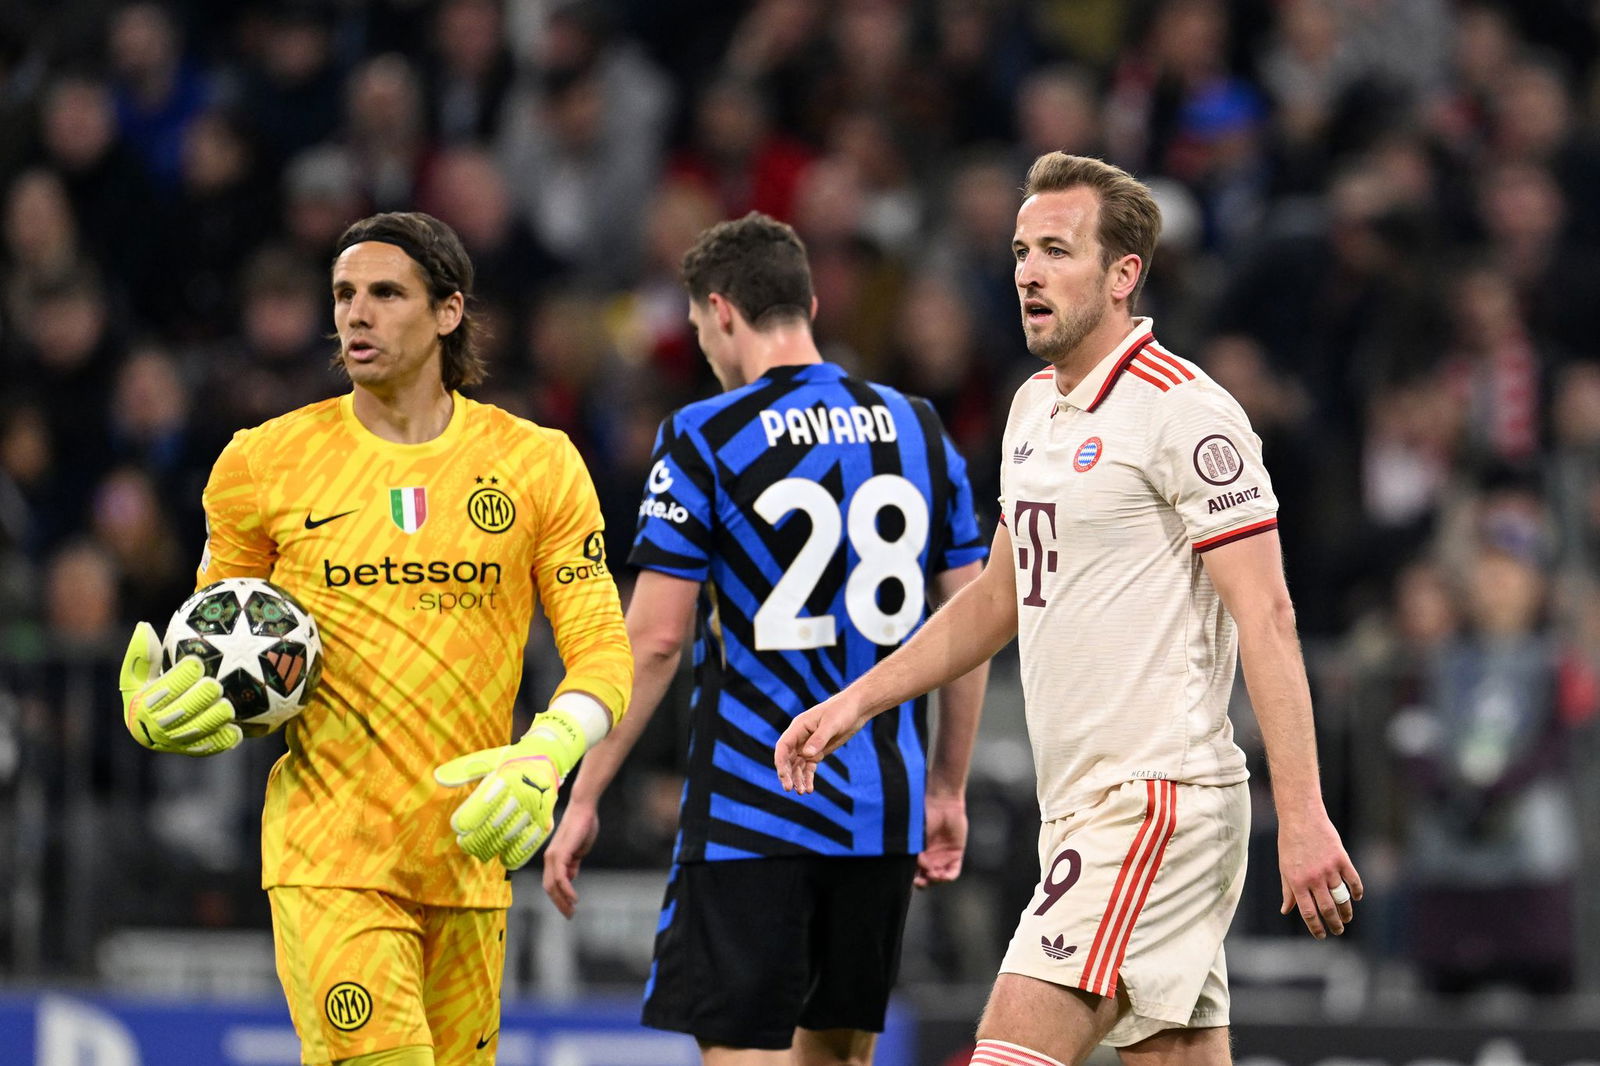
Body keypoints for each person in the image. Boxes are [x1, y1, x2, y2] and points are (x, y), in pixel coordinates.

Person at [777, 153, 1362, 1066]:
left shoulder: (1187, 414)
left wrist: (1305, 812)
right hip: (1084, 809)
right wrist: (858, 701)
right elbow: (996, 602)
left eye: (1057, 250)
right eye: (1019, 252)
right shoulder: (1032, 412)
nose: (1027, 273)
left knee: (1007, 1051)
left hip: (1155, 804)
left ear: (1123, 275)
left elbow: (1270, 615)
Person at [117, 211, 633, 1066]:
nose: (356, 313)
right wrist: (168, 707)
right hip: (330, 854)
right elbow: (220, 649)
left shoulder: (538, 464)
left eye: (386, 293)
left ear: (448, 312)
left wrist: (547, 752)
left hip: (469, 856)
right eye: (344, 294)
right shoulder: (263, 463)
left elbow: (603, 650)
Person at [541, 211, 990, 1065]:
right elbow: (969, 626)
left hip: (754, 808)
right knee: (840, 1058)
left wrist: (586, 789)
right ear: (811, 302)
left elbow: (657, 641)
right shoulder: (919, 428)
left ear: (720, 312)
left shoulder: (704, 436)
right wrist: (945, 789)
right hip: (880, 808)